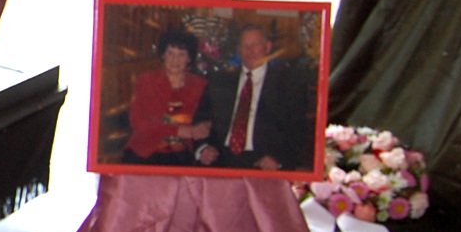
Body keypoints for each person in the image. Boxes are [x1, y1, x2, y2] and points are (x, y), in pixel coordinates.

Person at [195, 23, 315, 172]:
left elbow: (298, 129)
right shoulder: (220, 81)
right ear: (238, 49)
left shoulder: (287, 84)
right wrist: (204, 148)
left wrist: (279, 159)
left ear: (268, 47)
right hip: (221, 158)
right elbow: (201, 118)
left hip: (264, 161)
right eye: (245, 45)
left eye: (255, 45)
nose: (249, 50)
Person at [120, 28, 210, 164]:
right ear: (163, 55)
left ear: (189, 58)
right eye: (170, 53)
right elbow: (137, 122)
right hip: (145, 151)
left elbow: (207, 117)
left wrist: (205, 126)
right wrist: (177, 130)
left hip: (182, 154)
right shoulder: (147, 80)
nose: (175, 59)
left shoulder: (200, 85)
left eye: (181, 54)